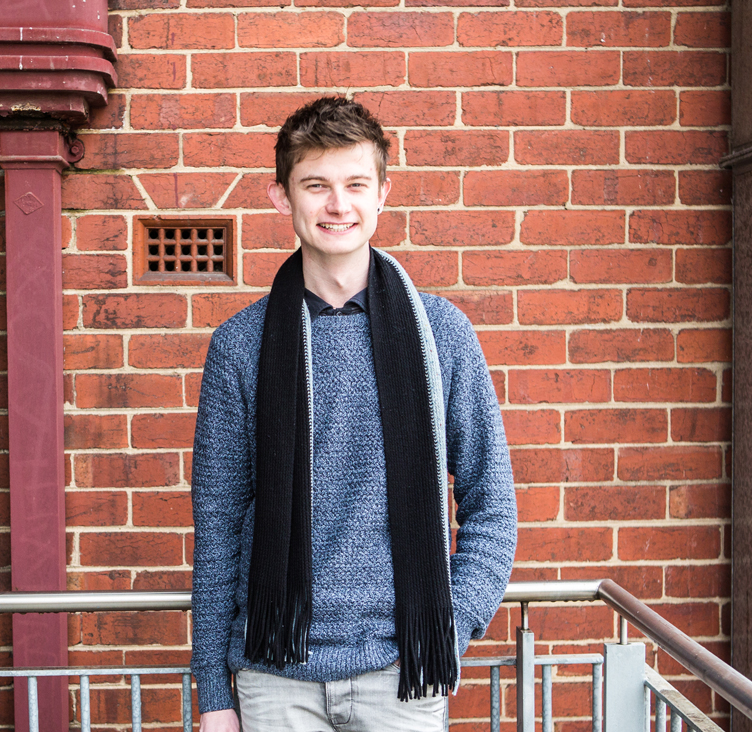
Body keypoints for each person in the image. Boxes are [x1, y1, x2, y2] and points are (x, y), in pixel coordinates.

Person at [190, 96, 518, 732]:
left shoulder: (442, 334)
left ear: (383, 194)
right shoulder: (240, 346)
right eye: (316, 185)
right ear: (282, 197)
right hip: (274, 677)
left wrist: (447, 625)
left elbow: (493, 505)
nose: (337, 205)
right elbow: (219, 528)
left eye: (355, 185)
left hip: (402, 674)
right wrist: (213, 693)